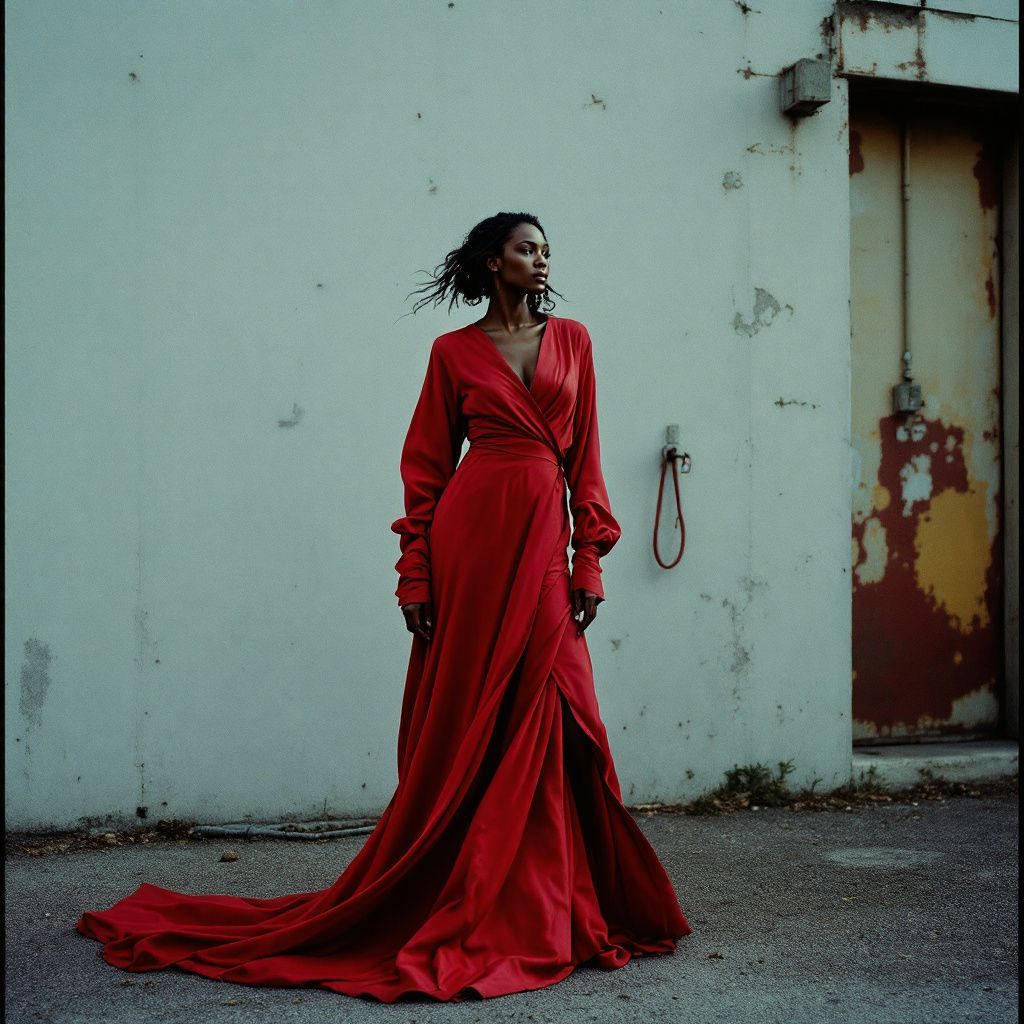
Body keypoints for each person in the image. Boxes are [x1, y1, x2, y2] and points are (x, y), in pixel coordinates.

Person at [74, 212, 692, 1002]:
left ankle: (552, 901)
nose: (540, 260)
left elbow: (586, 460)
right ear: (491, 261)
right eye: (525, 248)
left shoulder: (574, 340)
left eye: (546, 251)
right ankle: (487, 899)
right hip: (471, 548)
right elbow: (428, 470)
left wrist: (589, 561)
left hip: (542, 543)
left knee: (561, 704)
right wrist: (416, 576)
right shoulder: (452, 353)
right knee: (472, 717)